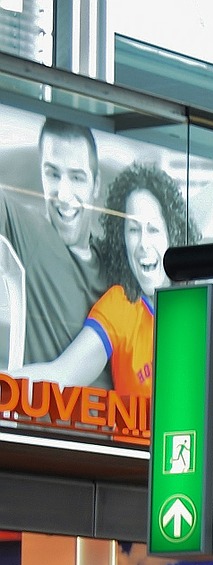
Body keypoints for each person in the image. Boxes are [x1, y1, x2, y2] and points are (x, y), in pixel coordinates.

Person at [21, 162, 191, 395]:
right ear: (121, 238)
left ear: (173, 234)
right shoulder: (121, 306)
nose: (143, 243)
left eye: (153, 229)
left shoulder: (196, 304)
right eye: (133, 230)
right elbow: (61, 375)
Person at [0, 119, 104, 374]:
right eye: (53, 174)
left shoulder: (116, 259)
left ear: (96, 184)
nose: (64, 194)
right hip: (37, 410)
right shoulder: (27, 231)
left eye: (77, 177)